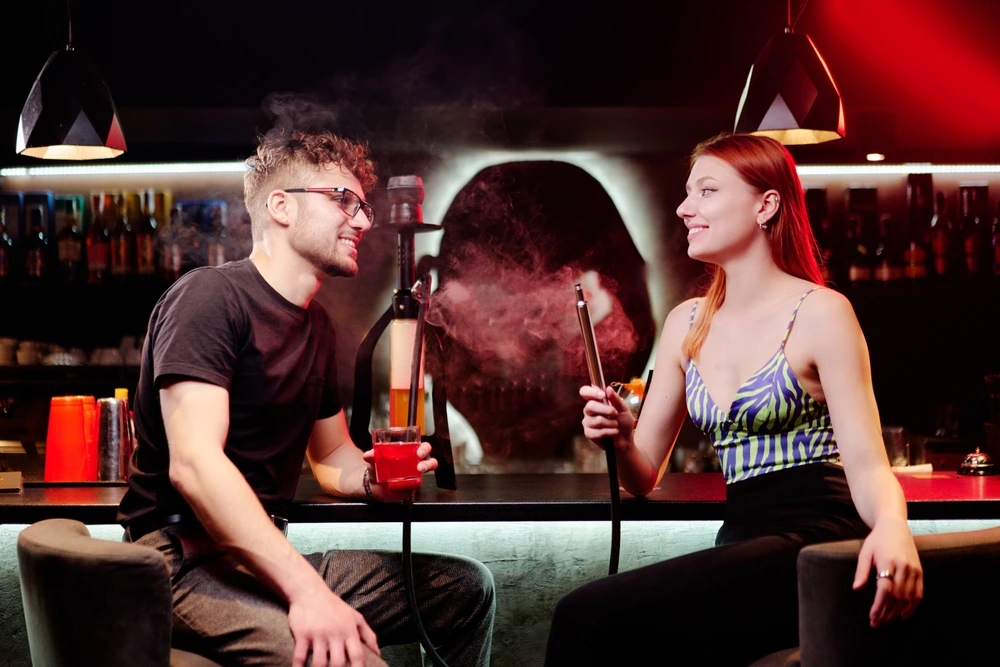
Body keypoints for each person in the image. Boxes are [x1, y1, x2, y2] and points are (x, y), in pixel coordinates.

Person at [118, 128, 495, 667]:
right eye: (343, 200)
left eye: (362, 206)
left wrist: (373, 480)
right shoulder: (209, 298)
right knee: (353, 661)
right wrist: (310, 593)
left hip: (261, 557)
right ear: (280, 207)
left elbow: (331, 455)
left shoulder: (315, 325)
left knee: (462, 588)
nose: (363, 220)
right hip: (179, 565)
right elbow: (195, 467)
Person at [544, 132, 923, 666]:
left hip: (816, 540)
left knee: (583, 616)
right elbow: (643, 476)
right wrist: (624, 438)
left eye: (706, 191)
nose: (684, 208)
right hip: (742, 541)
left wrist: (892, 528)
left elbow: (867, 467)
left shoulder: (821, 312)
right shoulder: (686, 323)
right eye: (686, 192)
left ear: (766, 205)